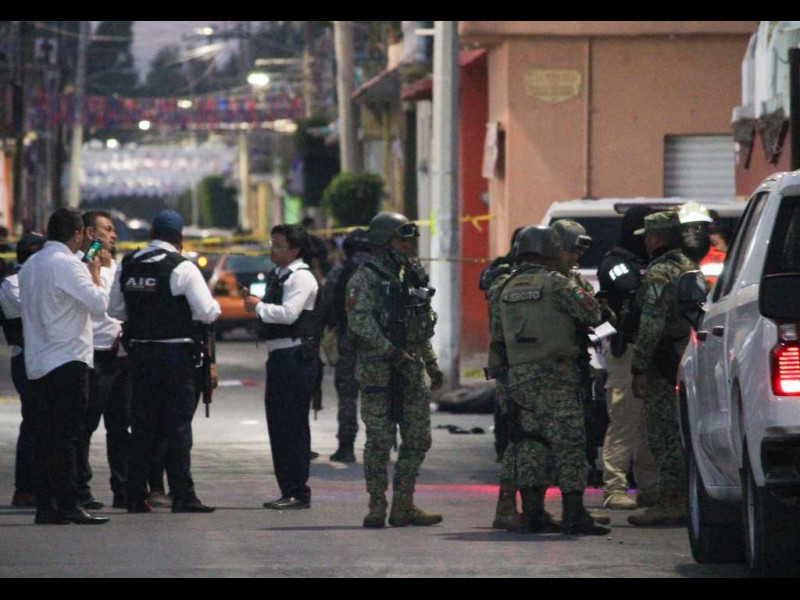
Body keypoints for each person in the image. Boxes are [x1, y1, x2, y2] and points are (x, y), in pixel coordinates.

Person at [490, 224, 609, 535]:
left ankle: (533, 513)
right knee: (569, 443)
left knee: (530, 443)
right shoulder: (557, 284)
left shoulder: (504, 287)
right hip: (557, 376)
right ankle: (574, 514)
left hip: (519, 378)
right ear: (549, 251)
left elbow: (498, 335)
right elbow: (592, 314)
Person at [109, 209, 220, 514]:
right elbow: (206, 312)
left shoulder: (129, 263)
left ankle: (135, 495)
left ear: (151, 234)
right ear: (179, 238)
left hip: (140, 356)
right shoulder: (181, 267)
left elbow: (114, 309)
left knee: (142, 426)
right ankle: (183, 495)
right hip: (175, 357)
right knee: (178, 428)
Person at [345, 212, 444, 529]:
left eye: (410, 240)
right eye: (402, 241)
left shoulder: (412, 277)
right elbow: (360, 322)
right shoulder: (365, 278)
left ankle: (404, 505)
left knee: (418, 439)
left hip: (411, 369)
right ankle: (377, 506)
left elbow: (419, 327)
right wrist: (390, 351)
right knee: (379, 441)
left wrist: (431, 365)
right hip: (378, 371)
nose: (409, 246)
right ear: (384, 243)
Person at [20, 208, 110, 525]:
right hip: (67, 359)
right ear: (77, 234)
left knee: (46, 437)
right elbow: (99, 305)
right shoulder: (68, 264)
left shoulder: (31, 265)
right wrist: (95, 274)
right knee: (67, 437)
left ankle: (47, 505)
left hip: (38, 360)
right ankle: (70, 503)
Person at [628, 210, 699, 527]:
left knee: (662, 433)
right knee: (681, 429)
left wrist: (639, 366)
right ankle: (685, 498)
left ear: (656, 237)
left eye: (648, 236)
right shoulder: (688, 266)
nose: (645, 242)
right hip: (687, 355)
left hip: (664, 361)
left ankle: (672, 502)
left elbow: (652, 322)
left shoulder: (660, 273)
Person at [244, 224, 320, 511]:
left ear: (295, 249)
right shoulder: (279, 274)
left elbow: (289, 314)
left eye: (278, 245)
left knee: (293, 426)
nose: (272, 249)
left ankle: (297, 490)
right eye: (272, 243)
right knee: (278, 425)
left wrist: (258, 306)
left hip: (295, 356)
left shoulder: (301, 277)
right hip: (279, 356)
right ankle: (287, 488)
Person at [596, 206, 659, 511]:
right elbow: (630, 289)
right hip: (627, 348)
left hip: (649, 350)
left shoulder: (647, 263)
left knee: (649, 423)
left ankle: (650, 486)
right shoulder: (616, 263)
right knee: (624, 420)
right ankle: (615, 487)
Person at [74, 211, 131, 511]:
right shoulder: (80, 266)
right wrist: (97, 267)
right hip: (93, 354)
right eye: (106, 230)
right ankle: (80, 488)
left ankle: (123, 488)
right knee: (86, 426)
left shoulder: (116, 267)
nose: (113, 235)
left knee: (120, 427)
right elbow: (99, 306)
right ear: (89, 233)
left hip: (119, 355)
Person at [0, 232, 46, 508]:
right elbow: (33, 311)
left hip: (45, 356)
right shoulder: (12, 284)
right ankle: (25, 487)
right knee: (33, 421)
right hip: (26, 358)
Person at [321, 228, 371, 463]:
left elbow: (326, 304)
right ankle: (381, 445)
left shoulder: (339, 272)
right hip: (379, 345)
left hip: (348, 340)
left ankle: (346, 446)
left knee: (347, 396)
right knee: (378, 396)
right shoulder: (383, 272)